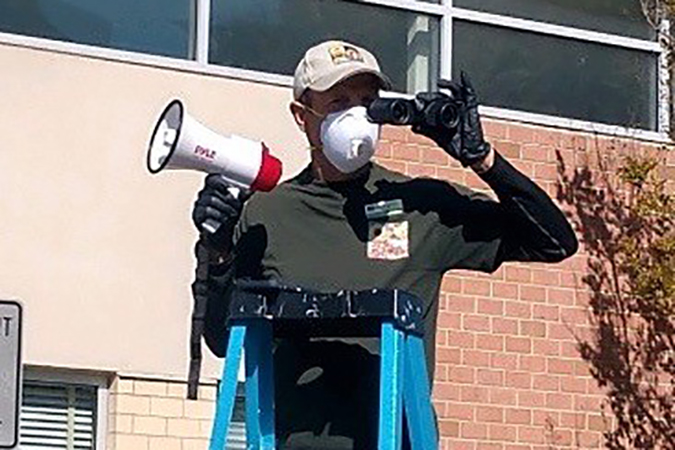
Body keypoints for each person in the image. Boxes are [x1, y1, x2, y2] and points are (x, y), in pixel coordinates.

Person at [191, 40, 578, 449]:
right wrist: (219, 253)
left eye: (367, 101)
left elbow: (553, 241)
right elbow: (222, 338)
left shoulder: (419, 204)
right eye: (338, 101)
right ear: (302, 117)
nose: (357, 114)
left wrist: (481, 158)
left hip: (398, 440)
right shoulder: (267, 213)